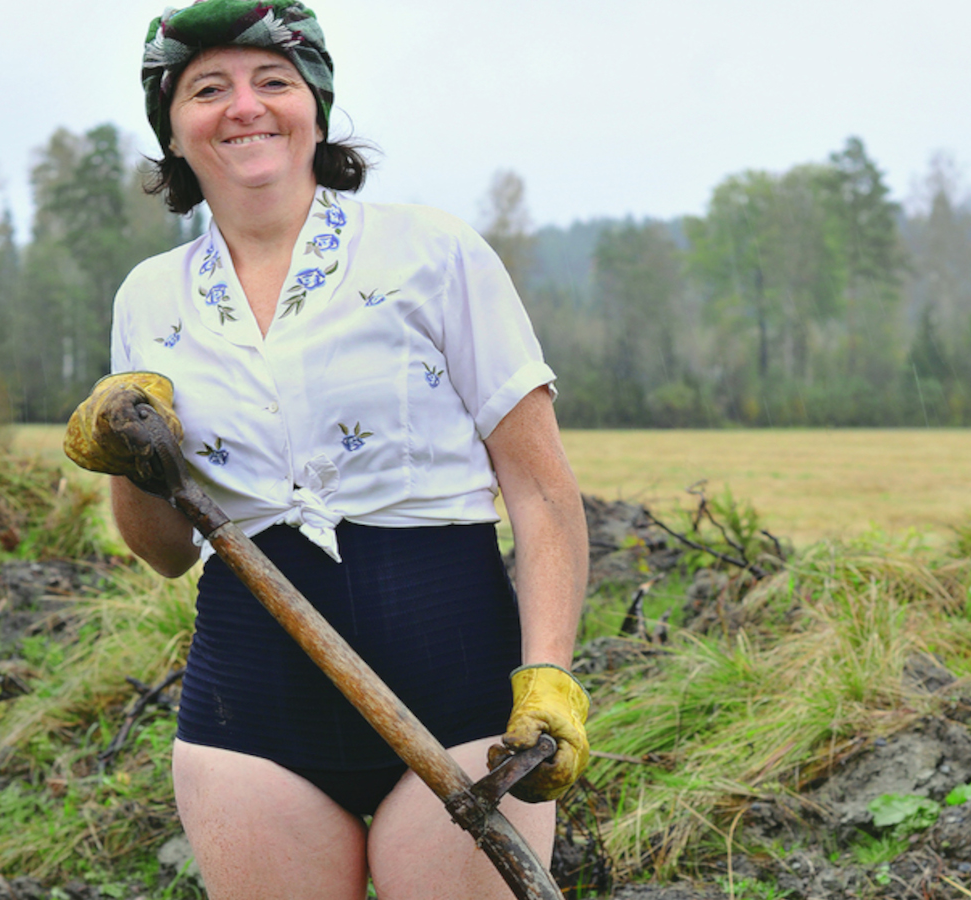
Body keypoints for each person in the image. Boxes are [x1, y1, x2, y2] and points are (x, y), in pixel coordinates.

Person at [63, 2, 590, 897]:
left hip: (461, 706)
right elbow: (161, 551)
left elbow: (541, 496)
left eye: (274, 82)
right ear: (174, 130)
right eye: (208, 90)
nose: (245, 107)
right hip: (248, 722)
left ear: (316, 107)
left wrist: (548, 679)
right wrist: (127, 449)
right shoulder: (150, 299)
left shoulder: (432, 253)